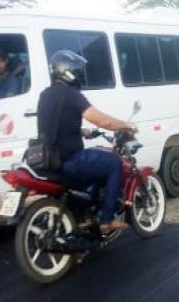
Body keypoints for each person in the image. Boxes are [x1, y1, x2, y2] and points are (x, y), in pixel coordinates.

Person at [37, 50, 135, 233]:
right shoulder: (71, 94)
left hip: (49, 159)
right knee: (114, 162)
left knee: (97, 161)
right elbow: (102, 121)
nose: (79, 74)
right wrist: (124, 125)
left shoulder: (45, 95)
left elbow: (55, 125)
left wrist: (81, 131)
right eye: (76, 70)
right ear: (67, 72)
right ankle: (107, 219)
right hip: (70, 160)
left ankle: (85, 214)